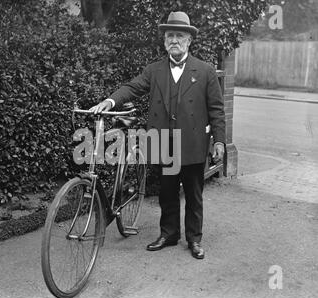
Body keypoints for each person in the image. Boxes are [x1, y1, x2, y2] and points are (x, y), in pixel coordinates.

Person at [90, 11, 226, 259]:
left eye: (179, 35)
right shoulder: (154, 70)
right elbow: (132, 87)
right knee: (167, 191)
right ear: (165, 40)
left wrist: (219, 140)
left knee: (194, 195)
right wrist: (110, 101)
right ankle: (169, 234)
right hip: (165, 143)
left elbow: (216, 110)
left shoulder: (205, 71)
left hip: (193, 144)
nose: (174, 40)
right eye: (170, 35)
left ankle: (194, 240)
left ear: (189, 40)